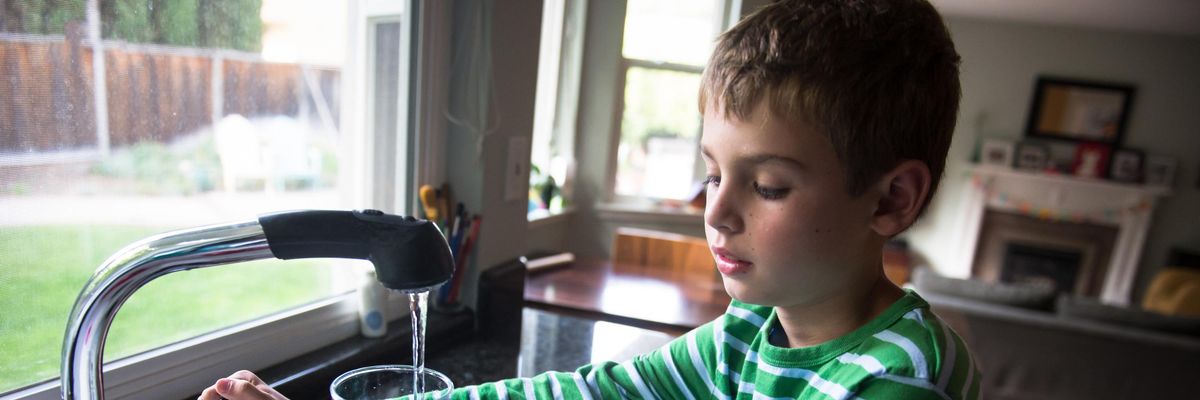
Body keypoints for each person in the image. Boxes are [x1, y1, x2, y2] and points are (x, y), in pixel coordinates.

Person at [200, 0, 976, 398]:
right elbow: (589, 390)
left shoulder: (891, 378)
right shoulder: (751, 330)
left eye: (767, 185)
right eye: (714, 173)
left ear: (890, 199)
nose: (717, 209)